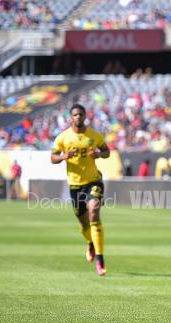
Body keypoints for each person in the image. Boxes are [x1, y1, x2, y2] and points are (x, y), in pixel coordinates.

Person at [51, 104, 110, 276]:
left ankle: (100, 259)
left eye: (81, 114)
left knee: (94, 212)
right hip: (75, 185)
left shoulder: (94, 135)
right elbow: (52, 158)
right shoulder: (63, 138)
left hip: (93, 181)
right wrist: (63, 157)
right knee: (84, 223)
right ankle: (91, 244)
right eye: (75, 115)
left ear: (85, 116)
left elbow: (107, 151)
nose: (78, 117)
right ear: (71, 117)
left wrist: (98, 154)